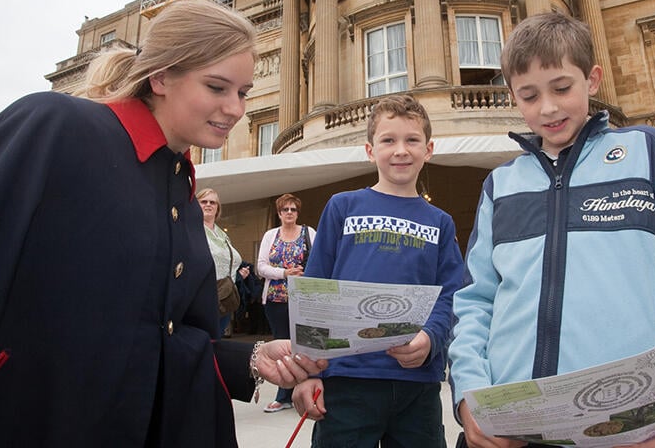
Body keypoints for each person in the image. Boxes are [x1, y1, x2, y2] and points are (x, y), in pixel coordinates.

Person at [0, 0, 326, 447]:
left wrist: (251, 357)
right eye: (217, 87)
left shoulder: (183, 192)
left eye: (244, 92)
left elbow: (165, 335)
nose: (235, 108)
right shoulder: (55, 126)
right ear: (161, 77)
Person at [448, 12, 655, 448]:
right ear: (512, 96)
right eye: (529, 95)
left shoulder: (649, 154)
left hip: (633, 426)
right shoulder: (501, 185)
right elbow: (474, 303)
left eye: (562, 88)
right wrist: (469, 399)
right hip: (514, 430)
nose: (548, 107)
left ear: (592, 79)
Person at [291, 94, 465, 447]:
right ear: (370, 150)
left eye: (412, 140)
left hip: (417, 382)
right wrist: (305, 373)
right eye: (388, 140)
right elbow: (315, 289)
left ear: (428, 149)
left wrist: (431, 337)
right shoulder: (343, 207)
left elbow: (452, 293)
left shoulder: (441, 223)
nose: (401, 150)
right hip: (347, 380)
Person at [257, 193, 317, 413]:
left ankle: (306, 391)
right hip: (276, 299)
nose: (289, 213)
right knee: (282, 346)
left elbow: (321, 261)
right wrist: (284, 272)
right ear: (279, 213)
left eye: (293, 209)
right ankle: (283, 395)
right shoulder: (270, 235)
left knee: (305, 344)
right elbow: (261, 267)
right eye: (285, 210)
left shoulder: (309, 233)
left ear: (297, 212)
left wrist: (303, 275)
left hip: (304, 298)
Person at [198, 187, 244, 338]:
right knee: (204, 343)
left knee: (216, 344)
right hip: (202, 298)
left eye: (213, 202)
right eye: (203, 201)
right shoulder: (192, 229)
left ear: (218, 208)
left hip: (225, 299)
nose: (208, 204)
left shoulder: (222, 235)